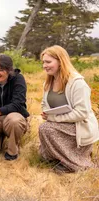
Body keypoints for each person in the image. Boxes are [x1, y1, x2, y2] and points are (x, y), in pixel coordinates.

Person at [39, 45, 99, 173]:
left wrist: (54, 118)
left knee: (45, 128)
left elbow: (82, 113)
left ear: (60, 62)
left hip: (79, 127)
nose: (44, 65)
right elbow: (44, 103)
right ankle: (58, 160)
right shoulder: (48, 83)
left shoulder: (77, 83)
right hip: (61, 125)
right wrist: (46, 112)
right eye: (43, 62)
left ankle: (78, 164)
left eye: (48, 62)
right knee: (45, 128)